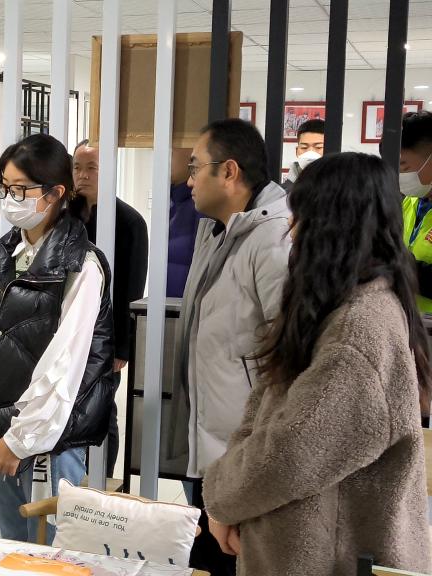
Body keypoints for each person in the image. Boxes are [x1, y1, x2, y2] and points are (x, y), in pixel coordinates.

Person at [204, 152, 432, 574]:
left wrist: (221, 497)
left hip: (327, 559)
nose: (291, 231)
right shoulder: (335, 308)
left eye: (302, 217)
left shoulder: (360, 327)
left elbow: (293, 452)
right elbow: (265, 405)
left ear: (334, 226)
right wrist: (228, 500)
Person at [0, 133, 116, 544]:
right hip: (5, 428)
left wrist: (22, 439)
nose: (10, 199)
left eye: (21, 189)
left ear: (55, 193)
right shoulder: (4, 252)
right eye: (5, 188)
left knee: (52, 549)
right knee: (11, 542)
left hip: (53, 432)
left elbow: (65, 363)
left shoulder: (81, 264)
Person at [175, 118, 291, 576]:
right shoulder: (216, 231)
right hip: (209, 446)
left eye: (194, 167)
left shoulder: (274, 239)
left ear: (228, 171)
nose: (188, 180)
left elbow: (288, 360)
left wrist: (256, 461)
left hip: (243, 454)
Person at [71, 141, 148, 479]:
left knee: (101, 408)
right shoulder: (65, 218)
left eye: (92, 168)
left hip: (105, 336)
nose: (83, 175)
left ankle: (102, 478)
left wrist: (122, 347)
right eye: (77, 167)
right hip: (66, 330)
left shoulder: (130, 222)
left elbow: (132, 287)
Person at [396, 111, 432, 317]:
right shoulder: (408, 202)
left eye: (404, 167)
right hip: (406, 322)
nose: (400, 175)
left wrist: (396, 263)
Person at [167, 147, 202, 298]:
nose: (166, 154)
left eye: (173, 149)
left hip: (185, 307)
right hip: (166, 306)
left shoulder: (200, 206)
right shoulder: (172, 203)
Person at [282, 118, 325, 189]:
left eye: (318, 147)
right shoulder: (282, 192)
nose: (310, 152)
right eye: (304, 147)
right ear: (297, 151)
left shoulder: (341, 190)